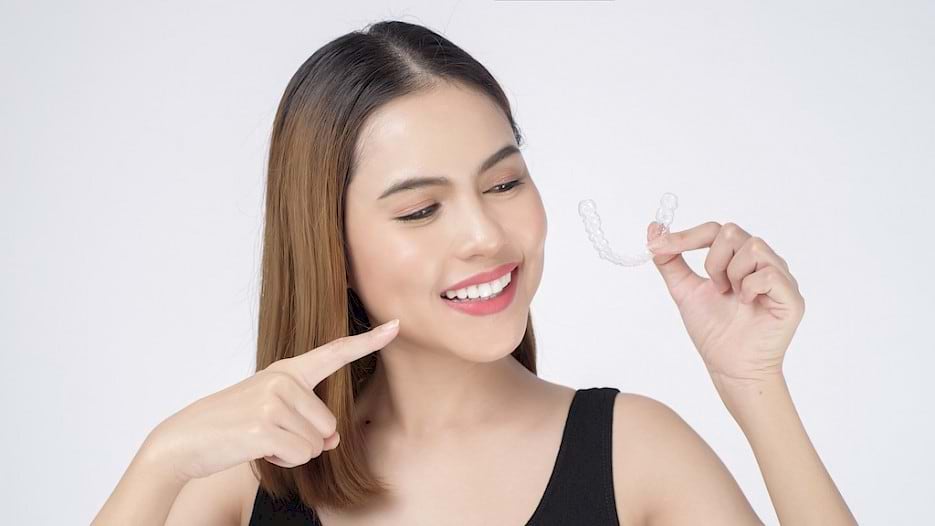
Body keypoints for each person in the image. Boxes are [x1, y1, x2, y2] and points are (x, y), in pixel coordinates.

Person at [92, 20, 857, 526]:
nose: (485, 236)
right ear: (328, 243)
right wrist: (161, 460)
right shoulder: (248, 483)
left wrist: (755, 387)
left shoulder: (635, 453)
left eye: (502, 184)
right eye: (421, 210)